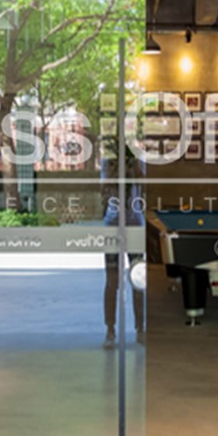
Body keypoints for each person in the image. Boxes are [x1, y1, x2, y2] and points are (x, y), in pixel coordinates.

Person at [100, 145, 145, 349]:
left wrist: (133, 167)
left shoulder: (138, 159)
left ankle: (140, 328)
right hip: (113, 224)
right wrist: (116, 170)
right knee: (112, 281)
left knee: (138, 279)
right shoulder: (108, 161)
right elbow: (104, 188)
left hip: (134, 224)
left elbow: (144, 185)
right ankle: (110, 329)